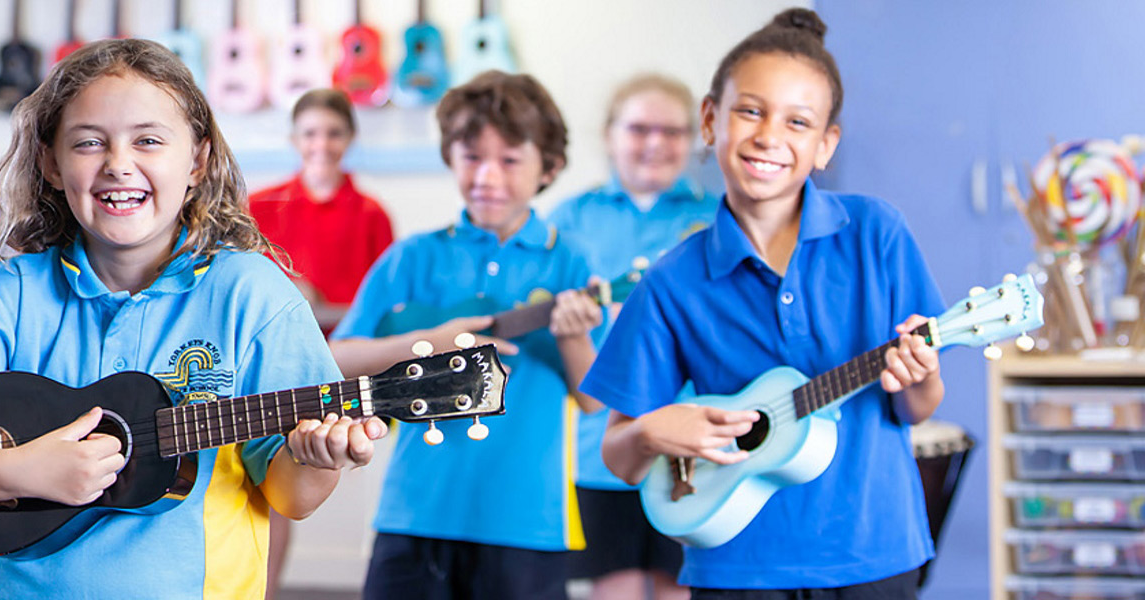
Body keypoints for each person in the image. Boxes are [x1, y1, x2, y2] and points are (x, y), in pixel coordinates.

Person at [0, 39, 386, 598]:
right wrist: (22, 471)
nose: (118, 164)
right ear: (50, 163)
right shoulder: (9, 298)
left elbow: (293, 497)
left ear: (198, 161)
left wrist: (322, 458)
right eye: (89, 143)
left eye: (149, 141)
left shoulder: (252, 296)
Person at [586, 9, 944, 599]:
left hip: (872, 550)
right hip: (734, 565)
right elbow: (620, 456)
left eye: (798, 122)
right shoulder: (673, 280)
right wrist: (652, 429)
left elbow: (918, 408)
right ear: (710, 119)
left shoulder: (877, 234)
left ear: (826, 144)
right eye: (750, 110)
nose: (769, 136)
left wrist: (919, 375)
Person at [329, 71, 605, 600]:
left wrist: (572, 336)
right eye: (472, 156)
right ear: (450, 156)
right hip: (414, 510)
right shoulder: (412, 256)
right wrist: (426, 342)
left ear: (549, 167)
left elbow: (593, 397)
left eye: (509, 160)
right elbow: (336, 357)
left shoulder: (571, 260)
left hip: (528, 520)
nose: (488, 177)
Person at [549, 73, 717, 600]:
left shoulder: (716, 217)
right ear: (608, 134)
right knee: (614, 588)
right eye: (639, 128)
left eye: (672, 131)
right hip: (599, 445)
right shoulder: (570, 220)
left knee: (680, 588)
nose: (655, 143)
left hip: (697, 437)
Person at [246, 88, 395, 331]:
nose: (322, 144)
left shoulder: (374, 215)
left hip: (348, 353)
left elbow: (385, 306)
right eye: (310, 133)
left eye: (334, 133)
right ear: (294, 139)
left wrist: (319, 312)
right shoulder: (255, 208)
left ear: (351, 137)